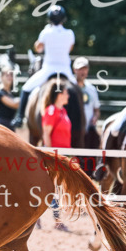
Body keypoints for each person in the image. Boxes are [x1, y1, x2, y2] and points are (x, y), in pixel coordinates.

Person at [14, 5, 75, 127]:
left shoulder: (45, 32)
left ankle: (19, 117)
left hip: (49, 69)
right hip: (65, 69)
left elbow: (38, 49)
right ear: (64, 19)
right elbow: (70, 49)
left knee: (26, 88)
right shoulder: (70, 33)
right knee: (78, 91)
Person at [39, 78, 71, 232]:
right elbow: (46, 134)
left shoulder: (62, 111)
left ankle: (47, 218)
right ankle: (56, 220)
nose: (68, 95)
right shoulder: (51, 111)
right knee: (53, 189)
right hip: (54, 155)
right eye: (66, 92)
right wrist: (52, 155)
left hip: (63, 154)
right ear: (59, 95)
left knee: (55, 189)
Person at [73, 57, 101, 149]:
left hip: (89, 131)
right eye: (80, 69)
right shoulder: (70, 89)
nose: (83, 72)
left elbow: (96, 110)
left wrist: (95, 118)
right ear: (75, 70)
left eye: (85, 69)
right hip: (73, 131)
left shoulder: (92, 89)